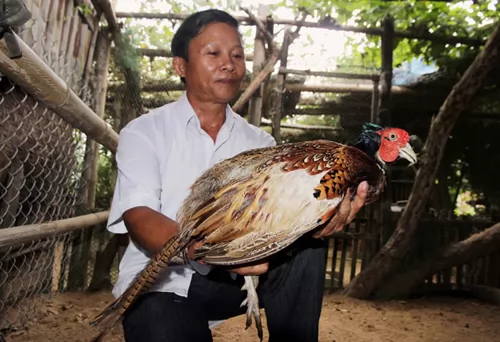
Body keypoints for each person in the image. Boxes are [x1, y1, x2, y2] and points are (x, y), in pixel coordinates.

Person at [106, 8, 368, 342]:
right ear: (181, 66)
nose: (229, 64)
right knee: (166, 328)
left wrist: (318, 221)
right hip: (162, 280)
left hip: (235, 281)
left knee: (307, 247)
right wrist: (206, 250)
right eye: (213, 53)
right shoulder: (144, 132)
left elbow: (278, 222)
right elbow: (138, 214)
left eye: (237, 55)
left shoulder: (260, 143)